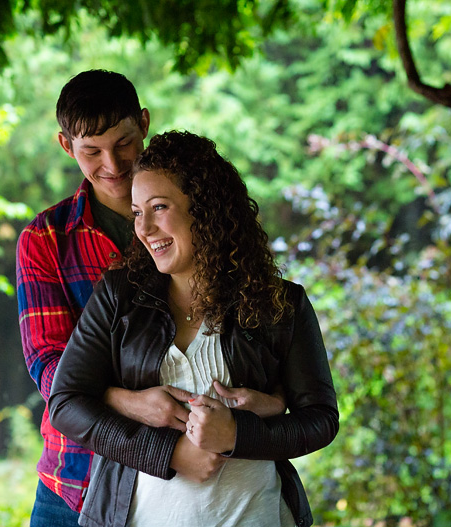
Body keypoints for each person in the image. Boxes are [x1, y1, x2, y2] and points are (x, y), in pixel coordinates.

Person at [48, 130, 339, 527]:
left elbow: (320, 419)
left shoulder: (280, 304)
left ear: (204, 209)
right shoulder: (119, 295)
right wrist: (166, 453)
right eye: (136, 212)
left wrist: (238, 436)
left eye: (159, 207)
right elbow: (65, 403)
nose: (144, 228)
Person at [17, 70, 185, 526]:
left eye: (124, 142)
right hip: (74, 479)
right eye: (92, 151)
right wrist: (129, 402)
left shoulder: (187, 221)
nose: (113, 165)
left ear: (145, 123)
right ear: (66, 146)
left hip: (177, 474)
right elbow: (48, 364)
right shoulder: (45, 239)